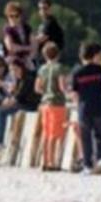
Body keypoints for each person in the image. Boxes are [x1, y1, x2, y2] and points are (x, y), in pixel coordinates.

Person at [70, 43, 101, 175]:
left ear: (81, 56)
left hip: (84, 108)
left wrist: (78, 105)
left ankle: (88, 165)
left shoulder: (77, 73)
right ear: (94, 55)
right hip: (99, 106)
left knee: (86, 137)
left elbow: (74, 94)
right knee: (99, 134)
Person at [34, 41, 69, 171]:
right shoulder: (59, 68)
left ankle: (45, 160)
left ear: (45, 55)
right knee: (55, 135)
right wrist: (70, 92)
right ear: (58, 54)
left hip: (45, 103)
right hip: (57, 103)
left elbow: (37, 88)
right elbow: (62, 86)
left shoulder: (42, 69)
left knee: (47, 133)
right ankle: (52, 162)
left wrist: (46, 92)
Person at [1, 1, 34, 70]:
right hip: (13, 60)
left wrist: (29, 57)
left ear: (20, 16)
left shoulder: (27, 27)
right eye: (11, 16)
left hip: (27, 59)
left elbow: (34, 45)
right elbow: (11, 47)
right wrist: (27, 48)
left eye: (16, 16)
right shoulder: (7, 29)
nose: (14, 18)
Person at [33, 0, 65, 68]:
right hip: (44, 58)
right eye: (40, 8)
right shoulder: (43, 24)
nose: (42, 11)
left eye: (45, 8)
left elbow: (42, 38)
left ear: (50, 9)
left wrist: (27, 42)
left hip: (50, 59)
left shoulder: (50, 22)